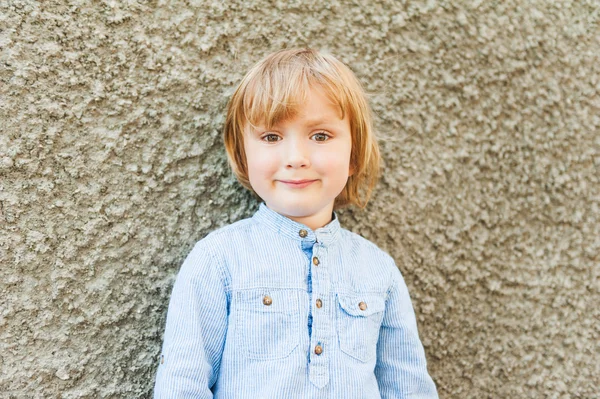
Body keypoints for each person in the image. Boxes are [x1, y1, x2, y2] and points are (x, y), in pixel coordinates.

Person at [153, 48, 438, 398]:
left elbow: (408, 389)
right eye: (272, 137)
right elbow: (181, 387)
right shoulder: (219, 260)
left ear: (354, 155)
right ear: (243, 156)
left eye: (320, 136)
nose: (296, 158)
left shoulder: (378, 270)